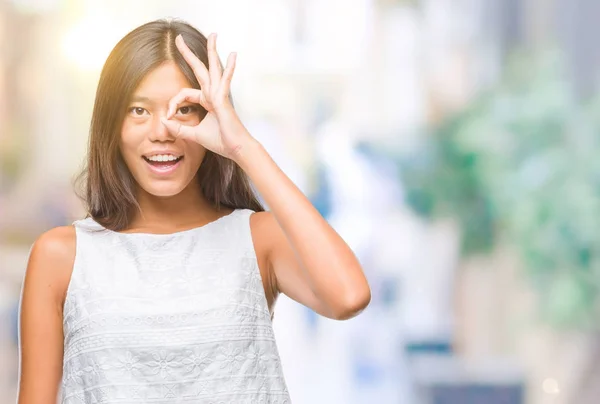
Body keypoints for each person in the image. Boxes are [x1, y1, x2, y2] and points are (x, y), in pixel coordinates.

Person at [16, 19, 371, 404]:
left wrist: (243, 148)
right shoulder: (61, 256)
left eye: (184, 109)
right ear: (111, 125)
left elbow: (348, 296)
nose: (162, 131)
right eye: (138, 110)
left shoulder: (257, 239)